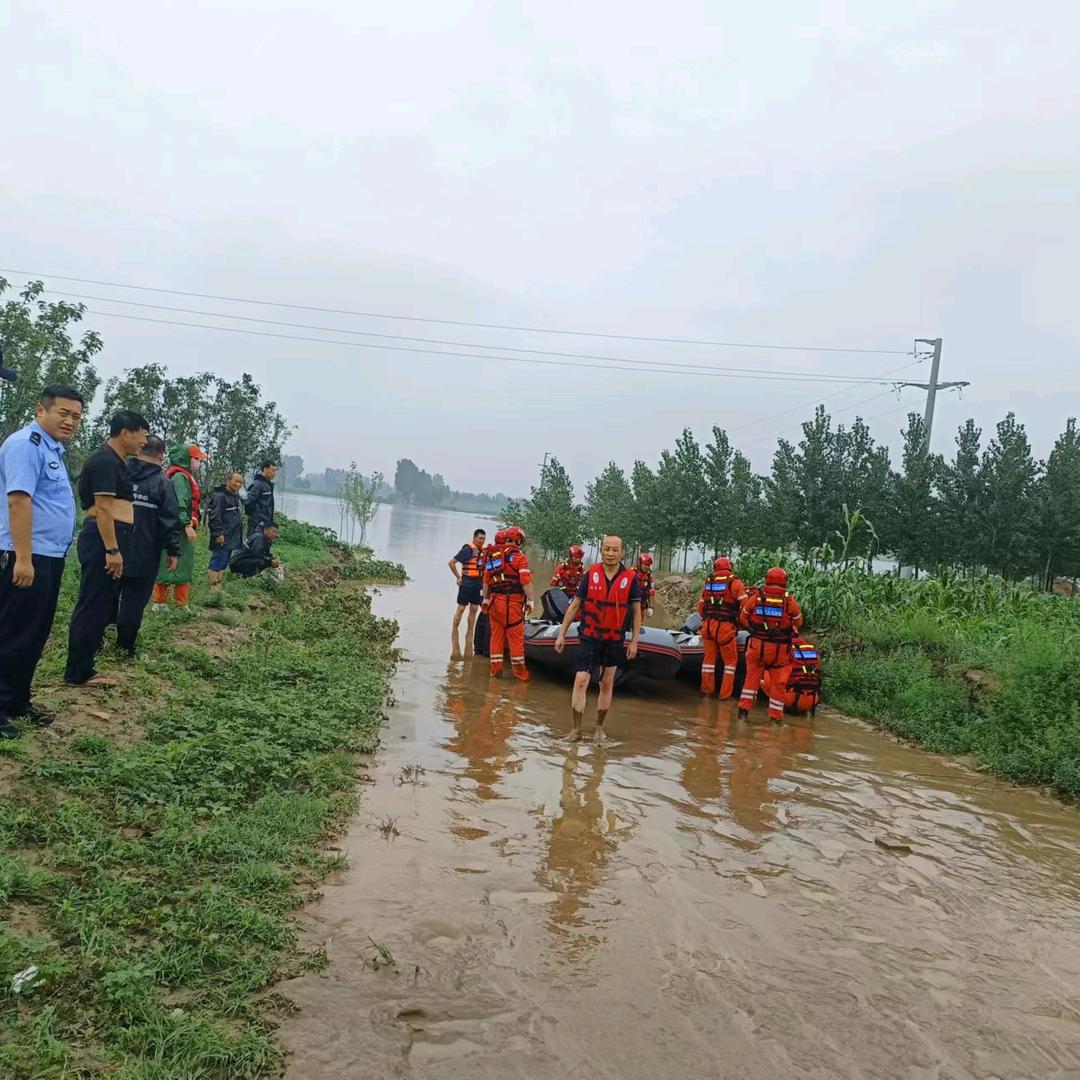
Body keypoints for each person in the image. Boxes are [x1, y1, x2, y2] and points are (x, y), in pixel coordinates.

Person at [0, 385, 83, 738]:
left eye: (76, 416)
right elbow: (19, 502)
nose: (70, 421)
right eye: (63, 413)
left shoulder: (53, 450)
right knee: (11, 633)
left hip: (48, 555)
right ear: (41, 411)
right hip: (25, 555)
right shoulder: (25, 445)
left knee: (34, 633)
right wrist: (22, 558)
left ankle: (18, 700)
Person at [63, 409, 150, 687]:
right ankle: (78, 671)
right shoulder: (105, 462)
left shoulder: (115, 461)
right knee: (93, 604)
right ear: (125, 432)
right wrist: (112, 550)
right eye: (142, 436)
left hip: (111, 536)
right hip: (104, 539)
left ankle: (85, 664)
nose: (144, 442)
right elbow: (102, 509)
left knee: (100, 605)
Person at [555, 535, 641, 744]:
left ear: (622, 552)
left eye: (615, 550)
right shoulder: (590, 574)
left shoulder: (631, 579)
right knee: (581, 680)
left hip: (613, 638)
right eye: (606, 549)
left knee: (607, 682)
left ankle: (599, 728)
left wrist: (634, 641)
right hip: (589, 635)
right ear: (601, 550)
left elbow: (637, 612)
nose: (610, 554)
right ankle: (576, 730)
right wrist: (562, 633)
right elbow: (576, 604)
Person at [115, 435, 182, 657]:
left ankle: (97, 640)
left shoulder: (119, 473)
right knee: (134, 601)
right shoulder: (163, 484)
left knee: (106, 594)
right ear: (162, 456)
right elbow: (169, 521)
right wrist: (173, 550)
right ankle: (125, 647)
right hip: (144, 552)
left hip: (111, 547)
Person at [737, 566, 804, 723]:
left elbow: (743, 617)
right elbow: (798, 622)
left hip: (757, 648)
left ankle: (743, 714)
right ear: (784, 581)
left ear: (767, 579)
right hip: (780, 652)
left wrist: (754, 629)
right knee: (779, 684)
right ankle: (776, 720)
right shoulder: (789, 601)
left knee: (750, 681)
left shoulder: (757, 598)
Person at [153, 443, 208, 607]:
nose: (198, 463)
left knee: (184, 563)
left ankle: (180, 602)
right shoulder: (180, 478)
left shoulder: (184, 476)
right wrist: (186, 524)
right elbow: (180, 502)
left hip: (178, 525)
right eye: (196, 459)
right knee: (169, 562)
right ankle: (160, 602)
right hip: (177, 527)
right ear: (187, 459)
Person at [481, 525, 534, 682]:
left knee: (496, 638)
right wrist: (530, 600)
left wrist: (485, 598)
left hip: (495, 602)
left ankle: (495, 671)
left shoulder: (493, 556)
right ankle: (521, 675)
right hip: (513, 605)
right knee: (516, 640)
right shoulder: (519, 557)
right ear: (518, 540)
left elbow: (486, 581)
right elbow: (525, 581)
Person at [696, 556, 747, 698]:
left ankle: (706, 693)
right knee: (730, 663)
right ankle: (724, 696)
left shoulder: (709, 582)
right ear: (729, 567)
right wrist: (742, 624)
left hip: (707, 627)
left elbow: (700, 607)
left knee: (708, 661)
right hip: (725, 628)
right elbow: (745, 607)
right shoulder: (735, 582)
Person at [208, 470, 245, 593]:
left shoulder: (235, 496)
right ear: (228, 481)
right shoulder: (220, 497)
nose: (239, 485)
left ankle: (219, 584)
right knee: (217, 559)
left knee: (224, 560)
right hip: (222, 535)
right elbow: (215, 517)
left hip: (232, 536)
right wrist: (218, 533)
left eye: (241, 482)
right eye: (236, 481)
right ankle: (213, 586)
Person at [449, 528, 486, 637]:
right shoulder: (467, 550)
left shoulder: (484, 552)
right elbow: (451, 563)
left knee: (474, 609)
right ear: (474, 538)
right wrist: (458, 577)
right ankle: (454, 631)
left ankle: (470, 632)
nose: (482, 541)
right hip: (466, 583)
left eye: (483, 539)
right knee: (461, 608)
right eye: (480, 538)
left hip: (478, 584)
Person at [245, 460, 277, 535]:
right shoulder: (257, 484)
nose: (274, 473)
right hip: (257, 524)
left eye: (275, 471)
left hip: (267, 524)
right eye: (273, 470)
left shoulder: (268, 485)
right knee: (255, 544)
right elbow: (249, 502)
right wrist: (255, 518)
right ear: (265, 469)